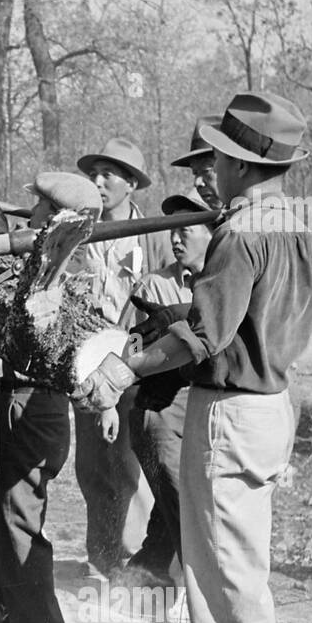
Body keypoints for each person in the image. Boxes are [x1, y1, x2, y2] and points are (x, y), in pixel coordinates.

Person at [73, 91, 312, 623]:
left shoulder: (241, 234)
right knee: (212, 554)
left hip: (233, 407)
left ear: (240, 162)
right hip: (269, 401)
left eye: (217, 154)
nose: (209, 165)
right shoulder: (296, 224)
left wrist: (129, 365)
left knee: (233, 560)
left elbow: (204, 335)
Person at [0, 170, 104, 623]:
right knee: (3, 508)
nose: (27, 217)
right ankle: (1, 618)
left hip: (35, 405)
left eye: (36, 210)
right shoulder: (48, 262)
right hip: (27, 401)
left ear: (54, 219)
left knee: (18, 515)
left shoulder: (60, 273)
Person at [69, 138, 170, 580]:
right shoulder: (78, 233)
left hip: (136, 363)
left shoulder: (154, 234)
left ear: (131, 183)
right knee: (93, 466)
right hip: (88, 364)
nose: (98, 182)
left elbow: (174, 293)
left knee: (133, 466)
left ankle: (137, 565)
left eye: (109, 174)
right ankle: (102, 559)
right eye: (94, 174)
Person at [119, 191, 217, 591]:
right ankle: (195, 600)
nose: (176, 239)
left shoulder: (225, 282)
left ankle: (144, 586)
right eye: (171, 231)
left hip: (207, 404)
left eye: (187, 231)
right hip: (162, 406)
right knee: (182, 506)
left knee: (178, 510)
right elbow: (127, 347)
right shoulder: (153, 286)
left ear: (213, 234)